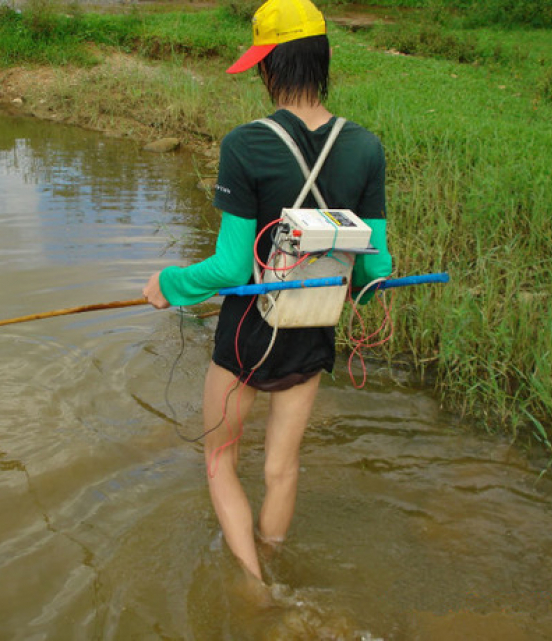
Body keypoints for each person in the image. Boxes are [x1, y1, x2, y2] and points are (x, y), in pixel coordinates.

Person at [143, 0, 392, 582]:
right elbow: (373, 273)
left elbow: (230, 267)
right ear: (324, 60)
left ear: (269, 68)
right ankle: (276, 567)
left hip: (250, 331)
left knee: (218, 457)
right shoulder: (365, 148)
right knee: (282, 468)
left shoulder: (246, 144)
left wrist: (167, 285)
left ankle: (254, 588)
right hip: (314, 328)